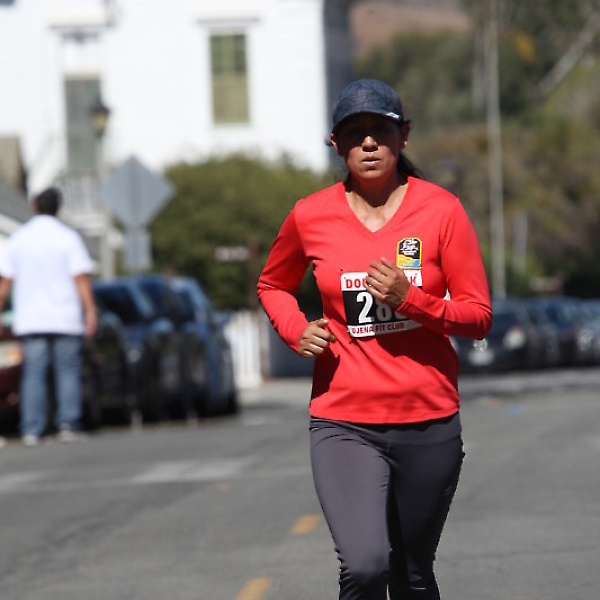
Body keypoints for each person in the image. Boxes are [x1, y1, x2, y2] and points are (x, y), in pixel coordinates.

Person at [257, 79, 492, 600]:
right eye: (354, 132)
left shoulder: (442, 211)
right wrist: (295, 329)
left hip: (427, 419)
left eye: (380, 130)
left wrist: (412, 300)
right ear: (335, 144)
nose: (368, 142)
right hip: (344, 421)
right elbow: (272, 285)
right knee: (365, 566)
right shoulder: (310, 215)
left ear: (403, 136)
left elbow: (477, 317)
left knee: (411, 573)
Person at [0, 187, 97, 447]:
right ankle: (68, 424)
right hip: (65, 317)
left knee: (34, 373)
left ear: (34, 206)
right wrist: (90, 310)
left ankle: (32, 429)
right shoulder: (68, 238)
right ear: (59, 207)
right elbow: (81, 279)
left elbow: (5, 282)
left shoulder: (19, 239)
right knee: (67, 371)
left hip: (31, 318)